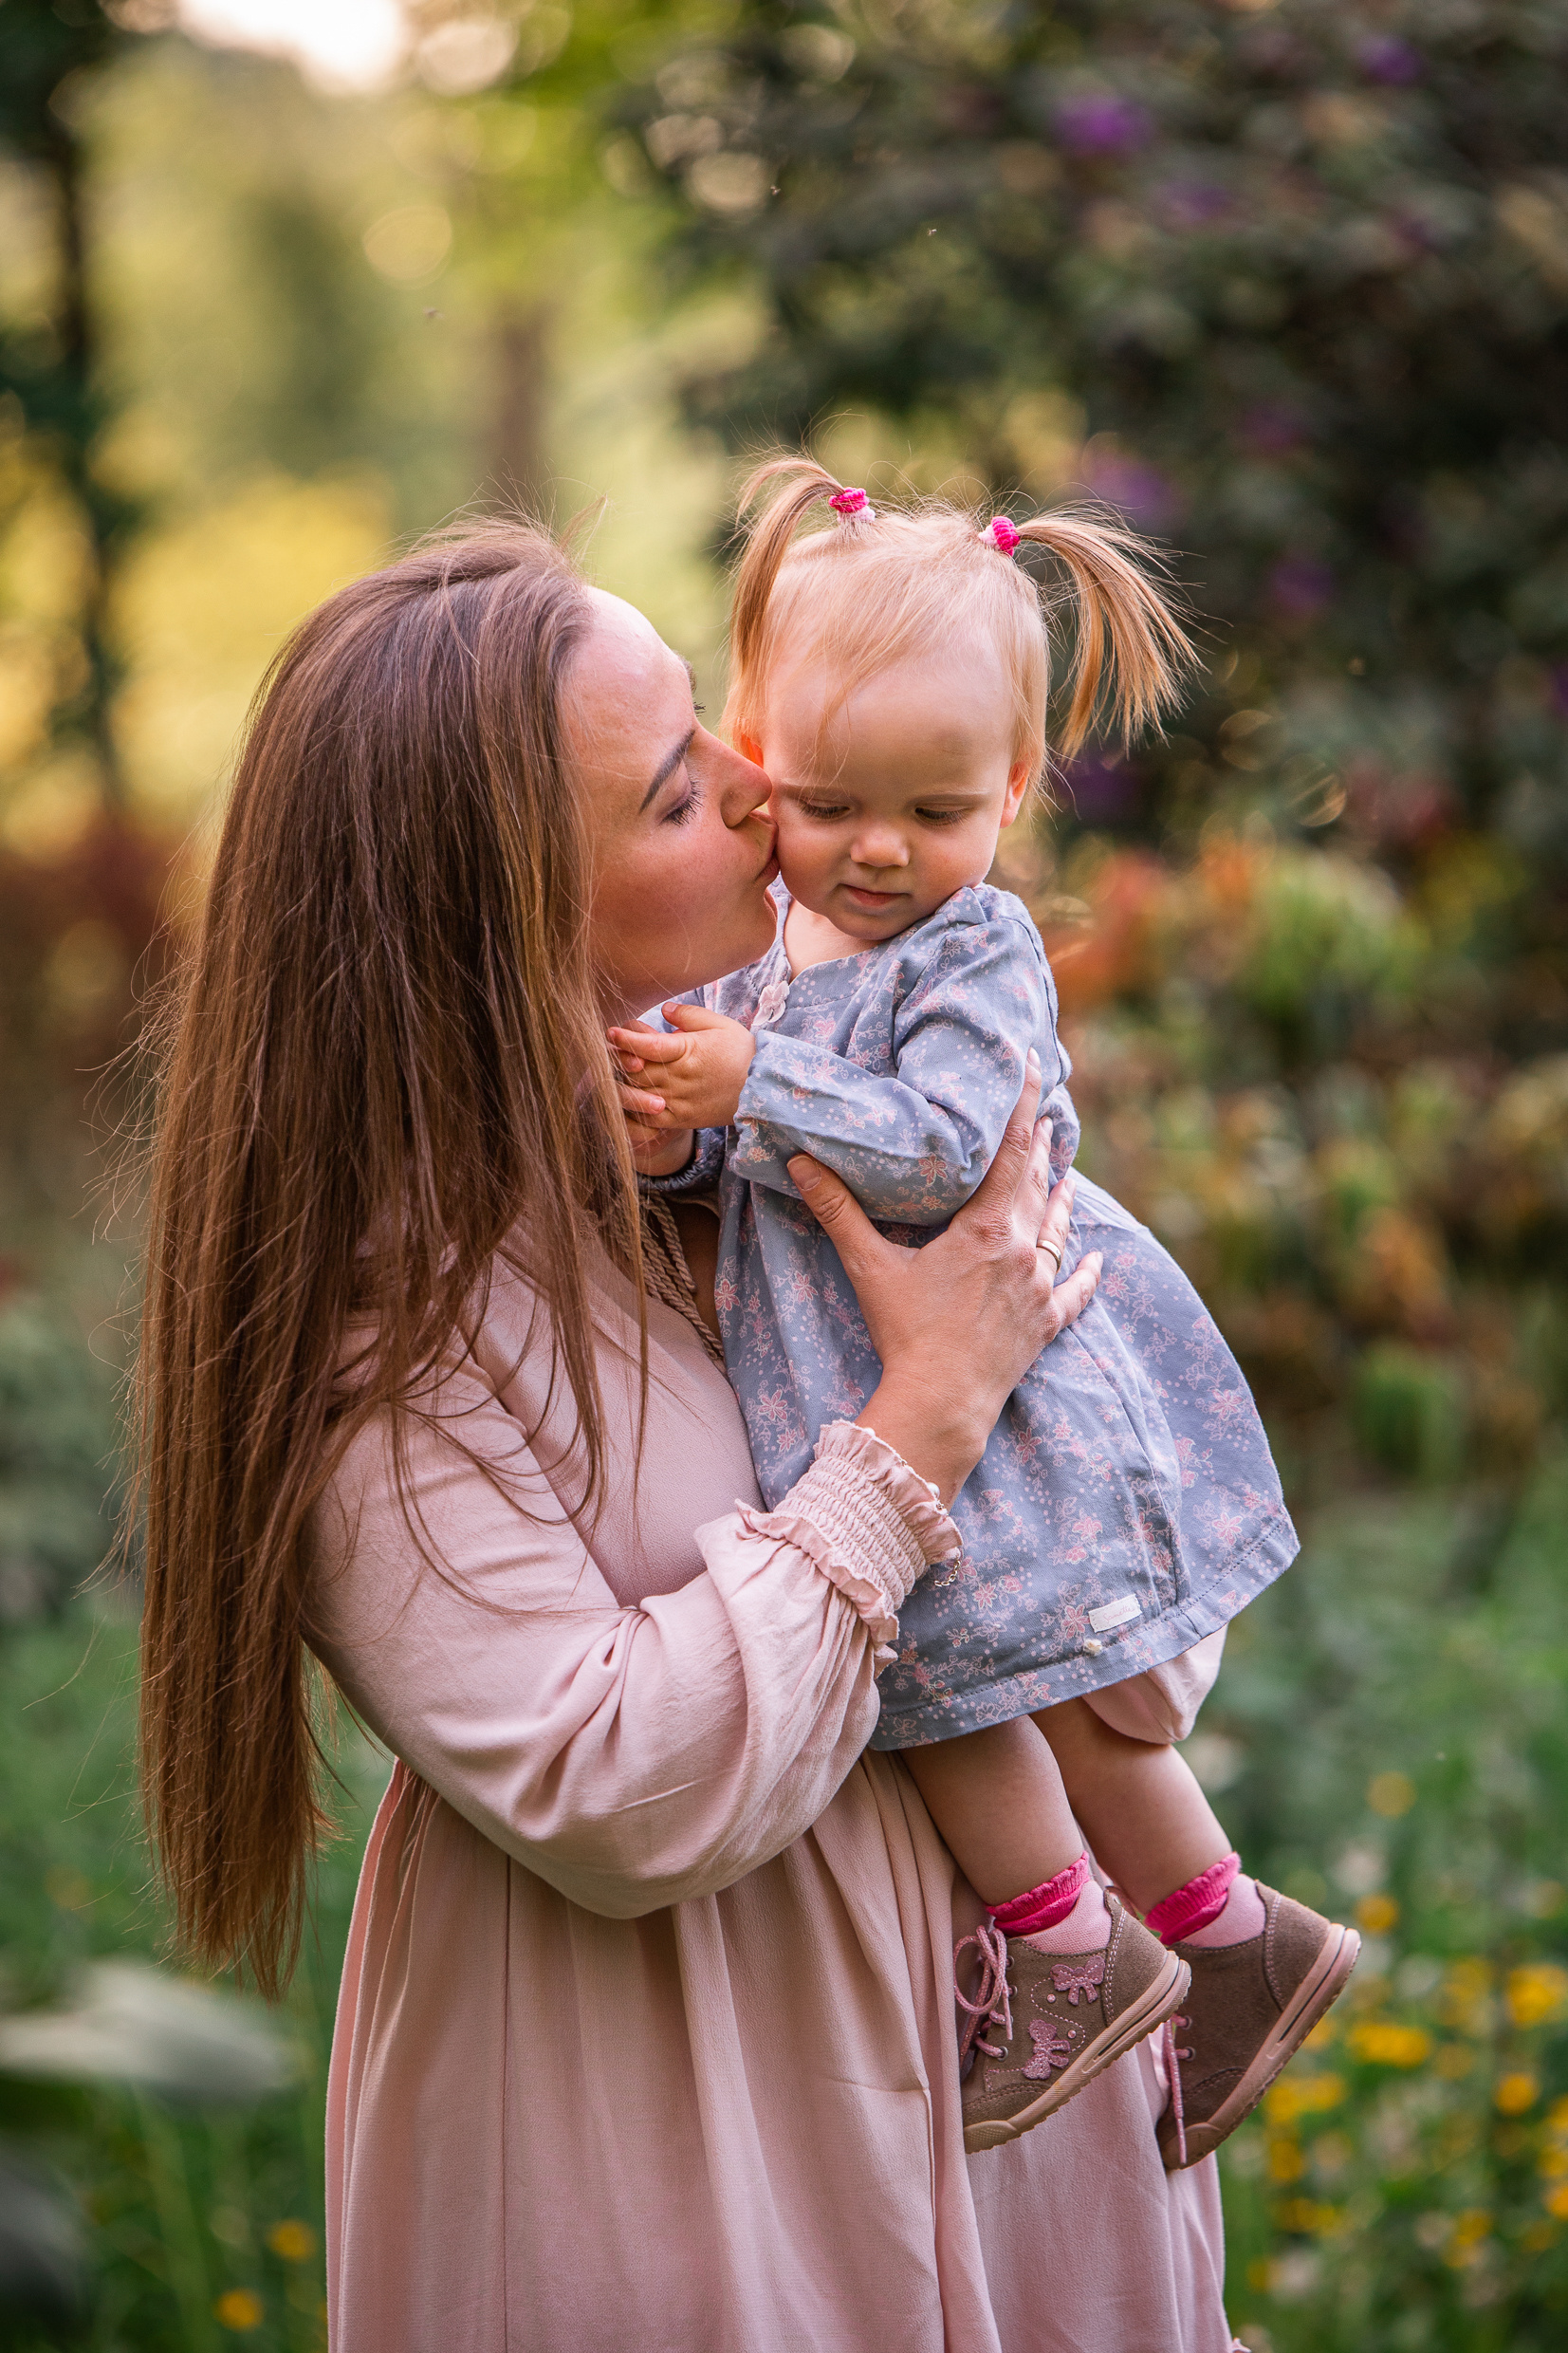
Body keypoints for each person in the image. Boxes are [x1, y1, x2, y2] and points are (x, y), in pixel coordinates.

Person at [134, 518, 1249, 2351]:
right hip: (683, 2107)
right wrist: (925, 1423)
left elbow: (1149, 1633)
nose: (766, 788)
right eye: (675, 791)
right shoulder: (388, 1312)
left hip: (1016, 2104)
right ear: (498, 919)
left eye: (710, 728)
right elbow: (614, 1788)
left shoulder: (813, 1125)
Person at [609, 458, 1358, 2164]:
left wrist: (751, 1085)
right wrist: (667, 1136)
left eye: (935, 813)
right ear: (757, 765)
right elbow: (743, 1179)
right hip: (876, 1392)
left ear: (1013, 788)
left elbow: (950, 1148)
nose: (879, 851)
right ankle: (1227, 1942)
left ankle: (1087, 1953)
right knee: (987, 1690)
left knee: (957, 1689)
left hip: (1000, 1396)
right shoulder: (759, 970)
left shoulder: (974, 956)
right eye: (829, 800)